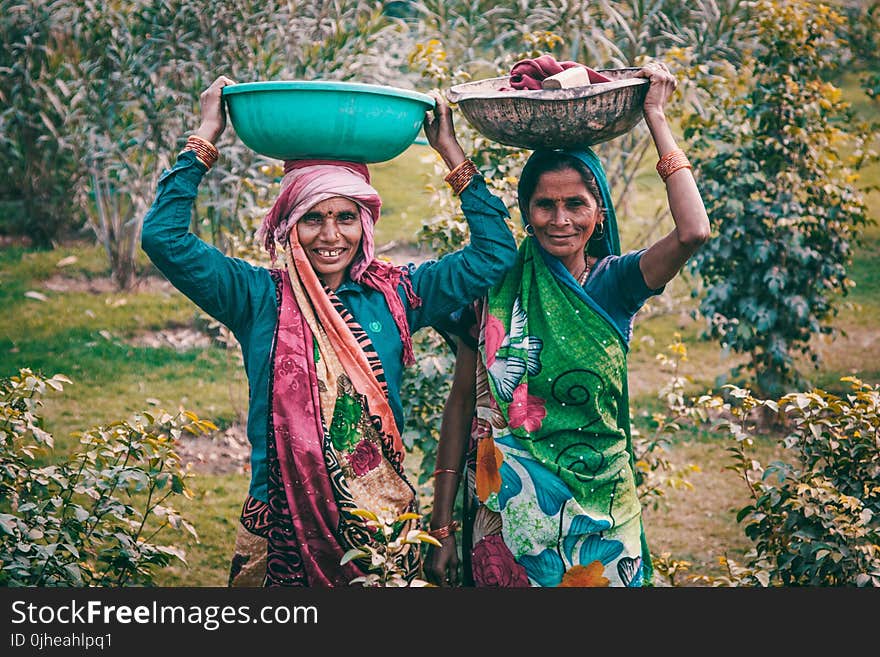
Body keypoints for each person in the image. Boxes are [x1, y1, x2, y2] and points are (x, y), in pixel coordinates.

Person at [141, 75, 517, 587]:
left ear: (365, 223)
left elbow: (495, 252)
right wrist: (206, 135)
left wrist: (450, 151)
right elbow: (163, 238)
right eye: (312, 218)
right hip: (281, 531)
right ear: (287, 225)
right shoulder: (255, 298)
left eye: (345, 217)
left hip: (380, 529)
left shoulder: (399, 294)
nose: (331, 235)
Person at [426, 60, 711, 587]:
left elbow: (693, 231)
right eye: (545, 205)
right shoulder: (496, 283)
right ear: (526, 212)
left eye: (576, 205)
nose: (561, 220)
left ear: (599, 213)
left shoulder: (616, 283)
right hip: (507, 515)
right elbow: (463, 400)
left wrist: (656, 116)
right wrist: (441, 523)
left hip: (603, 509)